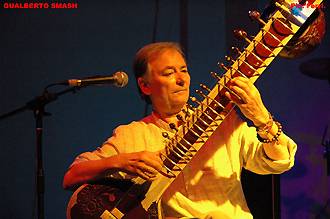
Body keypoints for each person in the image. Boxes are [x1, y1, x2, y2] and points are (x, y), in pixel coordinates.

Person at [63, 42, 297, 219]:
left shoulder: (223, 123)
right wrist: (122, 161)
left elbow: (278, 162)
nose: (181, 79)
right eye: (168, 73)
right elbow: (72, 177)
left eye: (183, 70)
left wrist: (262, 117)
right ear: (145, 85)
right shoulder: (131, 134)